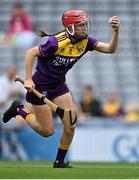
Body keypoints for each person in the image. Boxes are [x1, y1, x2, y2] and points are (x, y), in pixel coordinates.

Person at [2, 9, 120, 168]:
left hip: (59, 86)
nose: (85, 28)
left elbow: (110, 49)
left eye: (85, 24)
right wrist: (29, 79)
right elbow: (30, 53)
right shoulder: (55, 42)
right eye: (80, 26)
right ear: (70, 27)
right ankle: (20, 110)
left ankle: (59, 161)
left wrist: (116, 31)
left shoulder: (86, 41)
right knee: (46, 131)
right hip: (40, 86)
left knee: (70, 125)